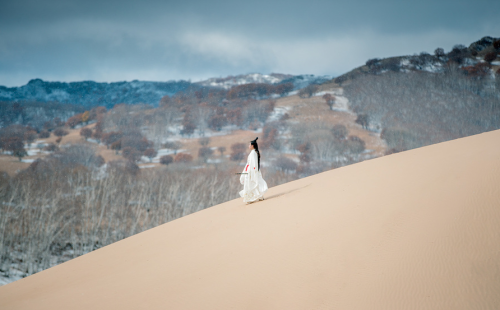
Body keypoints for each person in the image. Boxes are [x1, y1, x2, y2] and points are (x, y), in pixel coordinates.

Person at [239, 137, 268, 203]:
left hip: (251, 172)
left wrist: (252, 172)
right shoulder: (254, 152)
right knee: (252, 184)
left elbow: (254, 164)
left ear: (252, 146)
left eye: (249, 145)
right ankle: (257, 196)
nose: (248, 146)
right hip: (250, 171)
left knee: (251, 184)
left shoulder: (253, 153)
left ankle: (251, 198)